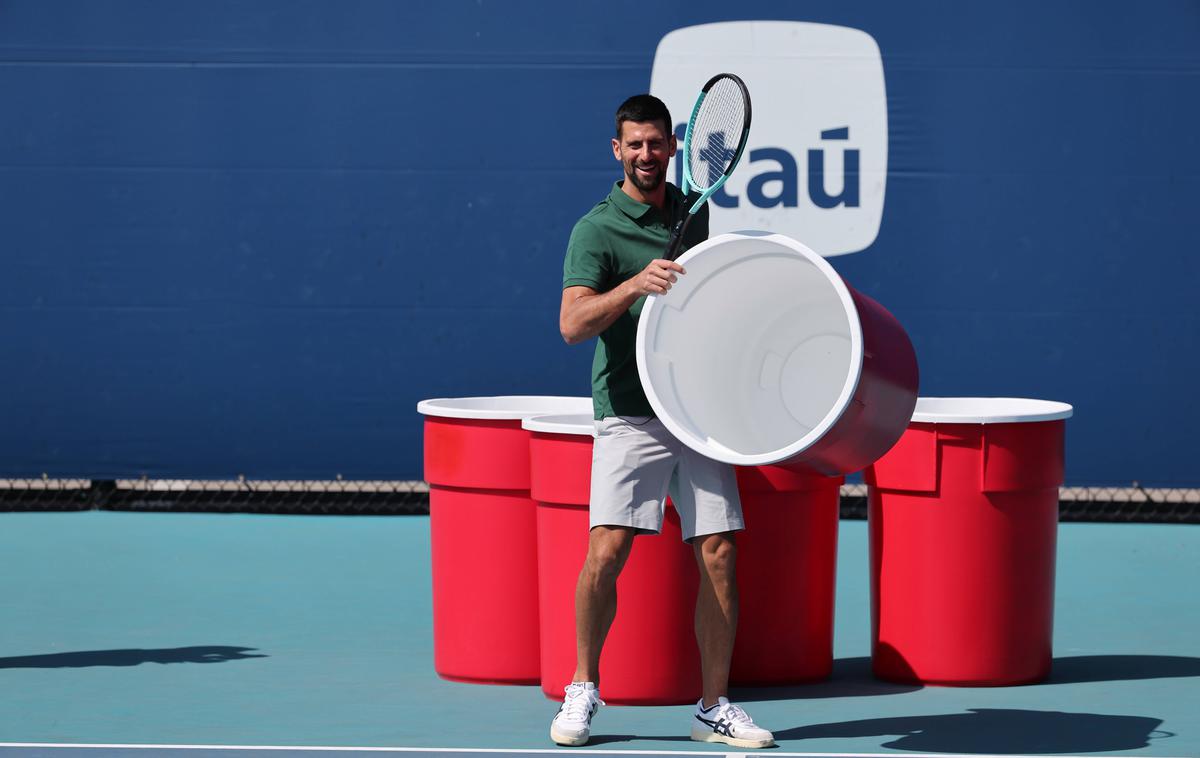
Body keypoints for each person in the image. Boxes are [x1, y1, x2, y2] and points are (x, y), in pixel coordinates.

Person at [551, 94, 774, 750]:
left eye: (657, 143)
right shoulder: (595, 229)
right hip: (629, 412)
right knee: (607, 551)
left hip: (698, 409)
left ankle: (713, 707)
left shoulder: (694, 215)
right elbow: (571, 326)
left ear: (674, 148)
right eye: (635, 144)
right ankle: (584, 687)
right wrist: (631, 287)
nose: (647, 154)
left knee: (720, 553)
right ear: (617, 151)